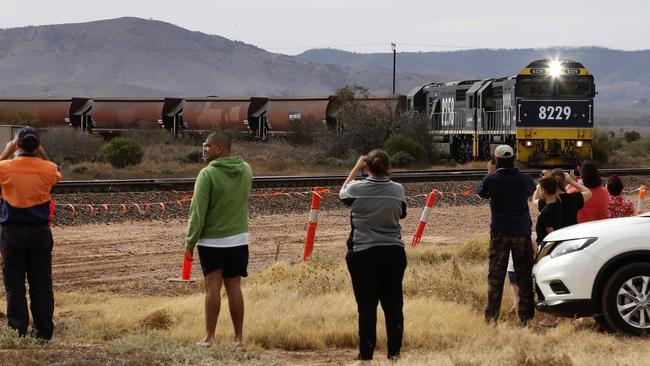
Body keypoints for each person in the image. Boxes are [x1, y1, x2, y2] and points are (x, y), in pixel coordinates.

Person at [184, 131, 252, 346]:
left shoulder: (207, 174)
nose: (204, 149)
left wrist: (190, 242)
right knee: (234, 286)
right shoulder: (246, 170)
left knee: (212, 287)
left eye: (207, 145)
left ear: (219, 149)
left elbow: (198, 212)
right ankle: (239, 338)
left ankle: (210, 337)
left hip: (212, 241)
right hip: (239, 239)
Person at [340, 149, 407, 361]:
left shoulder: (356, 189)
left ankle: (366, 354)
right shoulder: (397, 189)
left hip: (363, 253)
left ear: (367, 167)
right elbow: (402, 213)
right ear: (389, 168)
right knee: (394, 305)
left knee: (367, 306)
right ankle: (394, 353)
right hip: (393, 252)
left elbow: (342, 193)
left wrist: (355, 168)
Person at [0, 126, 62, 341]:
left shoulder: (5, 167)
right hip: (40, 232)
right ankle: (43, 333)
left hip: (13, 232)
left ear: (17, 145)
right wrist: (41, 153)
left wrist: (8, 152)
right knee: (42, 285)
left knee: (15, 285)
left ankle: (17, 331)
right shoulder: (49, 168)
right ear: (37, 146)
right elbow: (56, 173)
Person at [477, 145, 536, 324]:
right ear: (513, 159)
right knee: (524, 275)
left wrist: (489, 172)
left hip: (500, 233)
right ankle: (525, 318)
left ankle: (492, 317)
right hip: (521, 231)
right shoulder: (525, 179)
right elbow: (531, 191)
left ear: (496, 161)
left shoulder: (492, 179)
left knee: (496, 276)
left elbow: (481, 192)